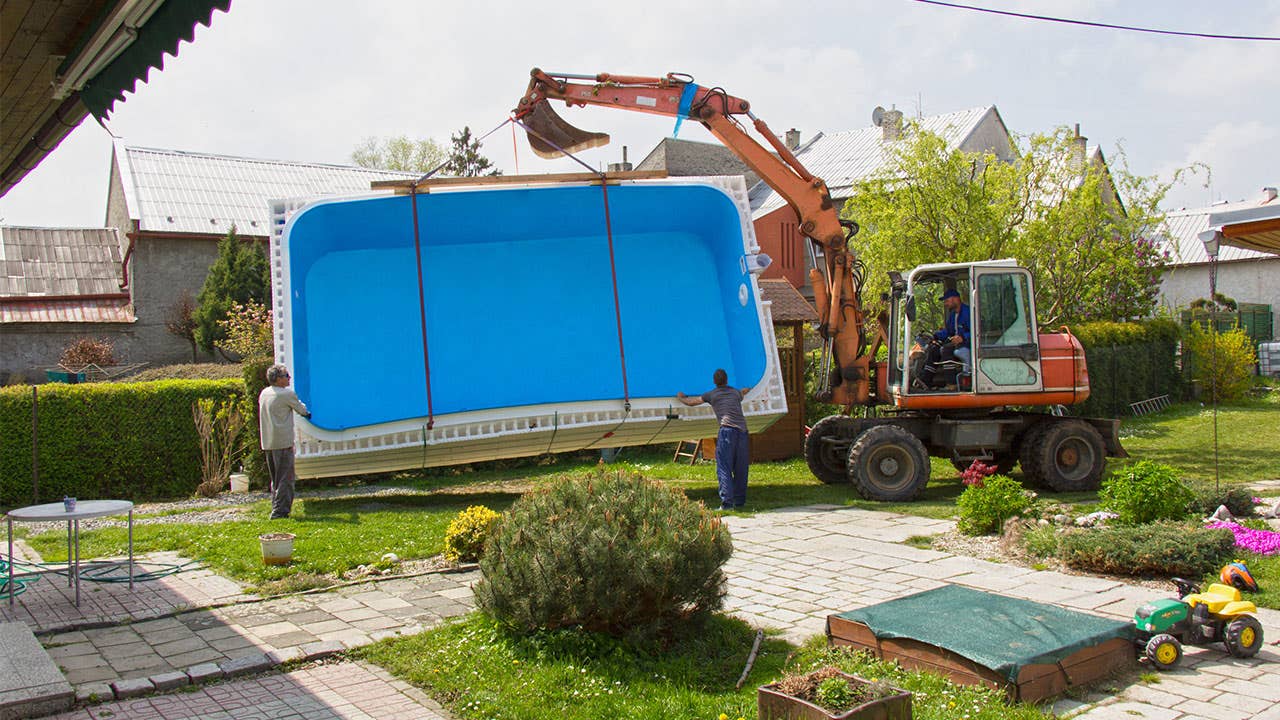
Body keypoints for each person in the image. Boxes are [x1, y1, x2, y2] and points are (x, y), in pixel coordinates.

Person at [677, 369, 750, 510]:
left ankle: (727, 503)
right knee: (741, 468)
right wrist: (749, 387)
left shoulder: (712, 395)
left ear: (714, 382)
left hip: (727, 432)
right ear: (727, 380)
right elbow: (744, 392)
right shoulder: (735, 393)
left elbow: (691, 402)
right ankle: (740, 502)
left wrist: (680, 397)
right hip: (742, 432)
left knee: (724, 467)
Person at [258, 364, 311, 519]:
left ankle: (276, 506)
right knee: (286, 478)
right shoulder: (286, 394)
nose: (289, 378)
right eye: (286, 375)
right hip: (282, 441)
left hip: (268, 441)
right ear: (279, 379)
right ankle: (280, 512)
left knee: (276, 478)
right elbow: (303, 410)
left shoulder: (264, 393)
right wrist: (308, 413)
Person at [919, 288, 972, 389]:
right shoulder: (953, 315)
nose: (946, 304)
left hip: (968, 344)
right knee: (934, 349)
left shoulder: (968, 312)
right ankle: (926, 381)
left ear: (955, 299)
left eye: (947, 301)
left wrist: (963, 337)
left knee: (946, 349)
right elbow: (948, 331)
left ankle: (951, 384)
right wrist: (934, 336)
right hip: (956, 344)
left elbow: (977, 330)